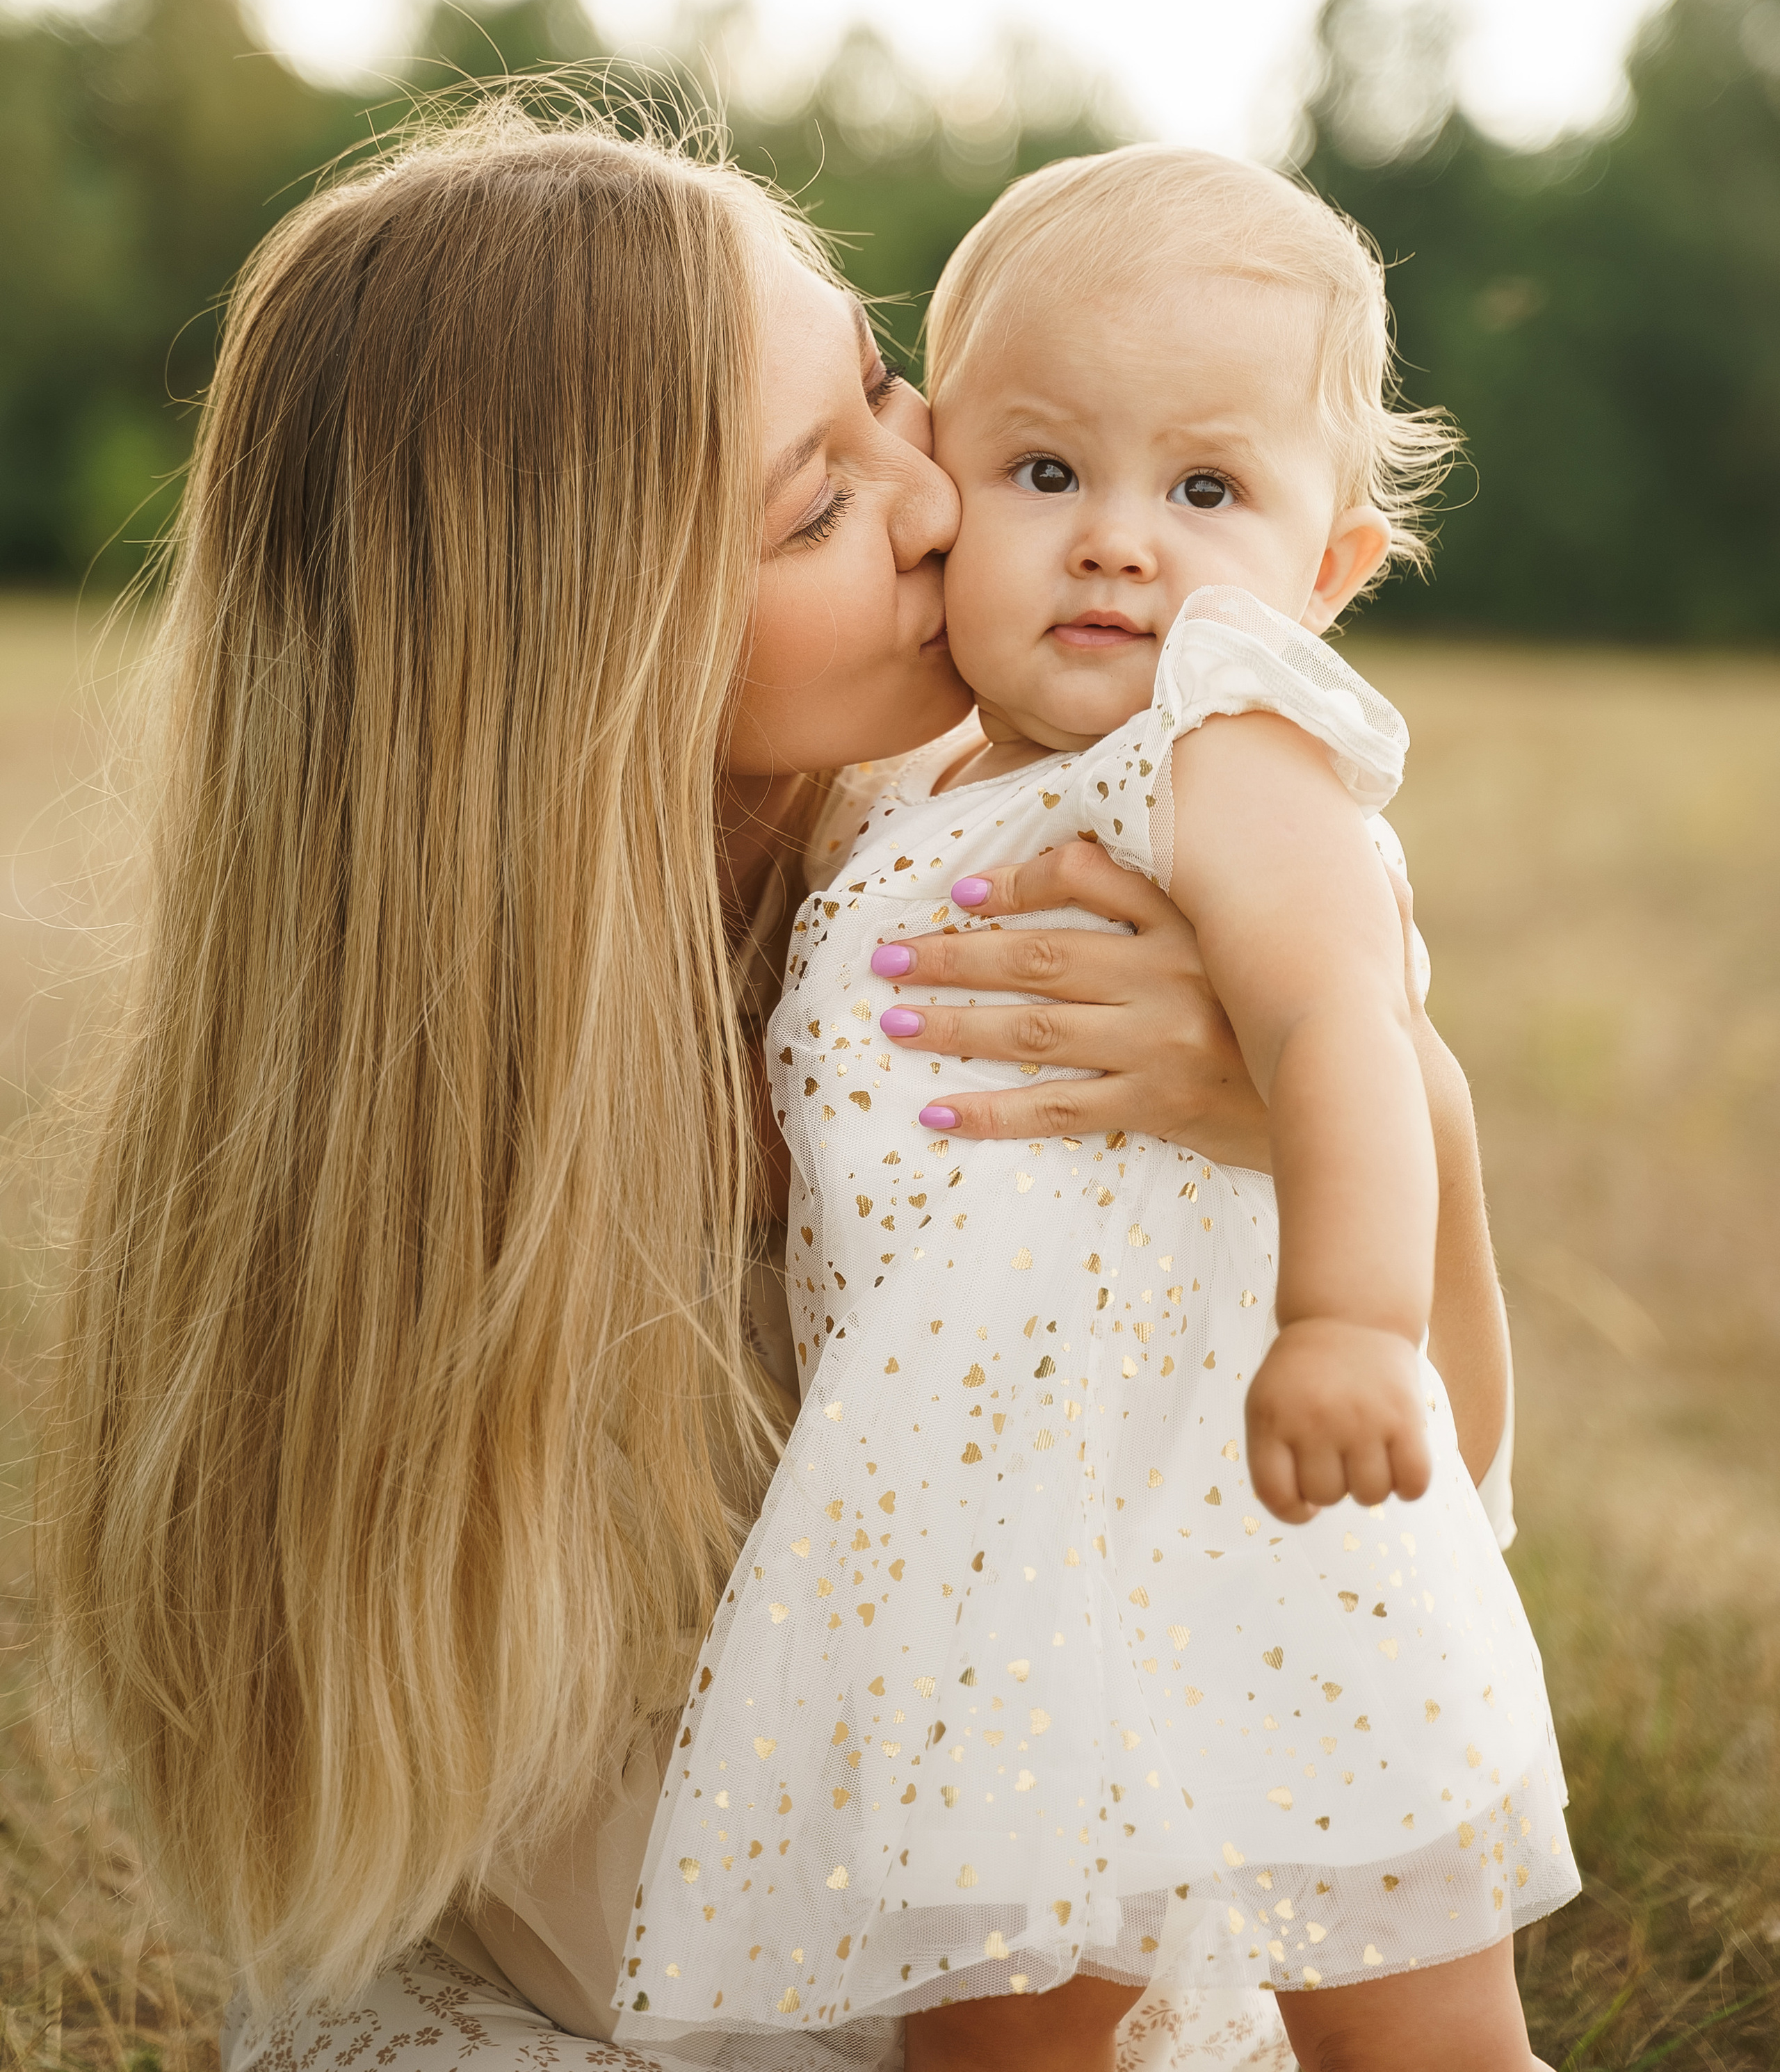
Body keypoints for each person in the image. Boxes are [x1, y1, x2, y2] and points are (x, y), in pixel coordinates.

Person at [41, 107, 1508, 2072]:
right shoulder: (441, 1176)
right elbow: (607, 1909)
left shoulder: (1003, 875)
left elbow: (1431, 1520)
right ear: (581, 657)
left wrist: (1376, 1111)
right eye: (817, 507)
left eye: (892, 398)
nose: (936, 502)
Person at [627, 147, 1573, 2071]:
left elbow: (1339, 1038)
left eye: (1205, 489)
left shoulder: (1226, 749)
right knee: (992, 2028)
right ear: (948, 476)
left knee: (1413, 2025)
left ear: (1324, 575)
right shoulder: (904, 812)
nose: (1122, 540)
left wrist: (1348, 1323)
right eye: (1048, 472)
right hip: (974, 1566)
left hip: (1249, 1510)